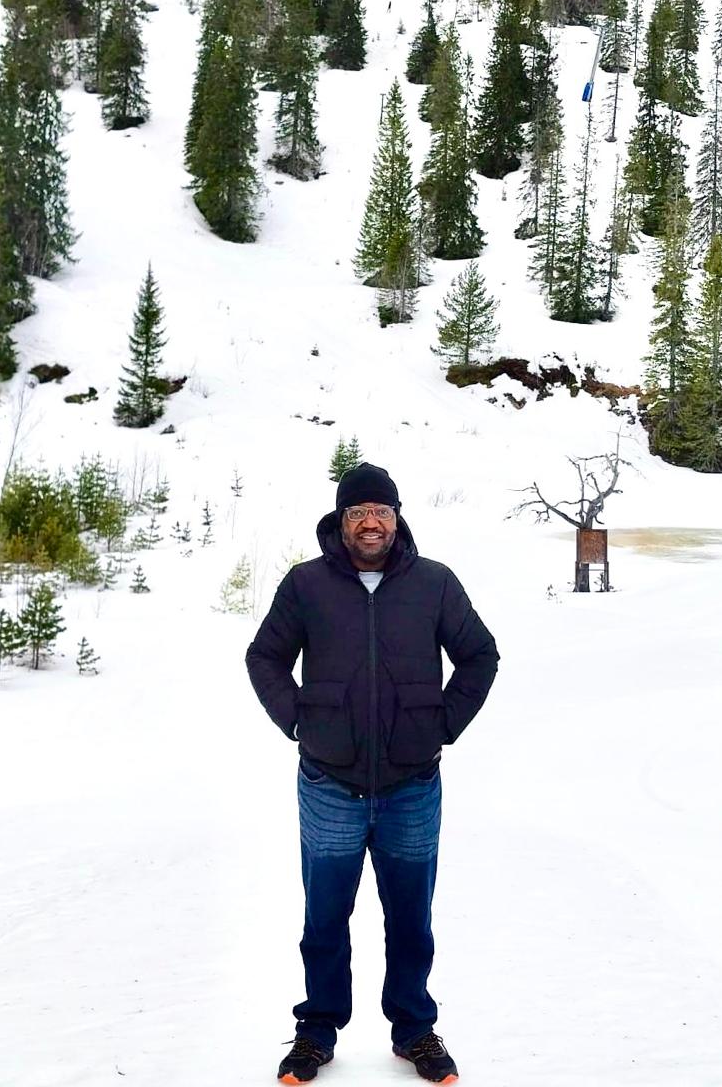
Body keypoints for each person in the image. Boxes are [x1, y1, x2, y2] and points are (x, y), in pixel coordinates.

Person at [246, 463, 499, 1085]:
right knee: (325, 917)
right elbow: (266, 656)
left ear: (396, 518)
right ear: (340, 520)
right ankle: (316, 1032)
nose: (369, 522)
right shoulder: (306, 585)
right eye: (358, 511)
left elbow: (479, 655)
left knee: (411, 917)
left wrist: (442, 723)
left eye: (380, 511)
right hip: (329, 784)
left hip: (412, 784)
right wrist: (298, 721)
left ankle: (415, 1030)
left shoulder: (434, 584)